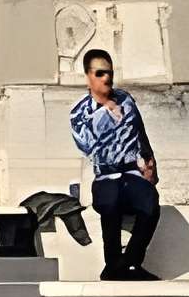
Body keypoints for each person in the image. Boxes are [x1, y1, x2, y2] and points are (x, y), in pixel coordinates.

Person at [69, 47, 160, 281]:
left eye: (109, 72)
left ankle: (128, 262)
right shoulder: (80, 113)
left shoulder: (126, 99)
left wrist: (150, 163)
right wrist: (104, 114)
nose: (106, 78)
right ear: (88, 76)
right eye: (100, 73)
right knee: (110, 205)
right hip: (106, 176)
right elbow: (87, 146)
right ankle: (114, 265)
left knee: (150, 205)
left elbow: (140, 132)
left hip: (132, 172)